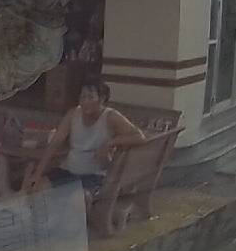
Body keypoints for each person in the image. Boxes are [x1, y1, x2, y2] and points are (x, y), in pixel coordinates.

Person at [23, 81, 146, 215]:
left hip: (93, 175)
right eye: (83, 97)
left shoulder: (111, 116)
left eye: (90, 97)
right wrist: (38, 173)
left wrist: (110, 143)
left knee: (79, 200)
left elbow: (139, 137)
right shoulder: (73, 114)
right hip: (68, 170)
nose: (85, 101)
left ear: (101, 99)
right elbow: (55, 143)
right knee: (37, 190)